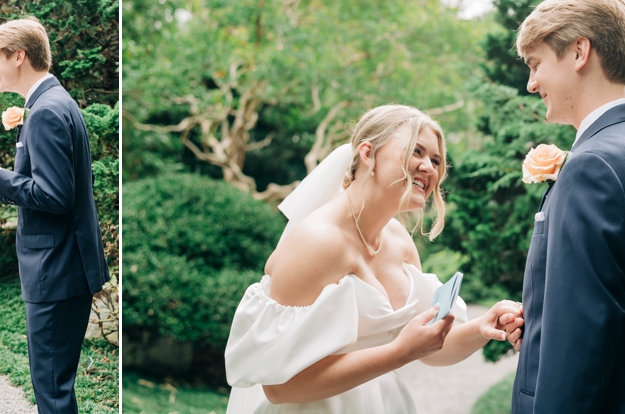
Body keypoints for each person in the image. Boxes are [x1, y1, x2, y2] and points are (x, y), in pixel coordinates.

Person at [224, 104, 524, 414]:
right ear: (368, 154)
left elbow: (430, 349)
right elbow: (279, 387)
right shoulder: (316, 242)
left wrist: (481, 327)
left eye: (435, 160)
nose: (429, 167)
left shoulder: (398, 240)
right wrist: (398, 352)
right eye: (416, 151)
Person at [508, 0, 625, 413]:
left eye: (536, 64)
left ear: (579, 53)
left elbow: (580, 346)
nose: (532, 83)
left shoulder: (593, 166)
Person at [0, 17, 109, 414]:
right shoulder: (54, 101)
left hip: (55, 269)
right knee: (54, 384)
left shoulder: (46, 111)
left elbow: (56, 195)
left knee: (51, 389)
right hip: (65, 266)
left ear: (19, 56)